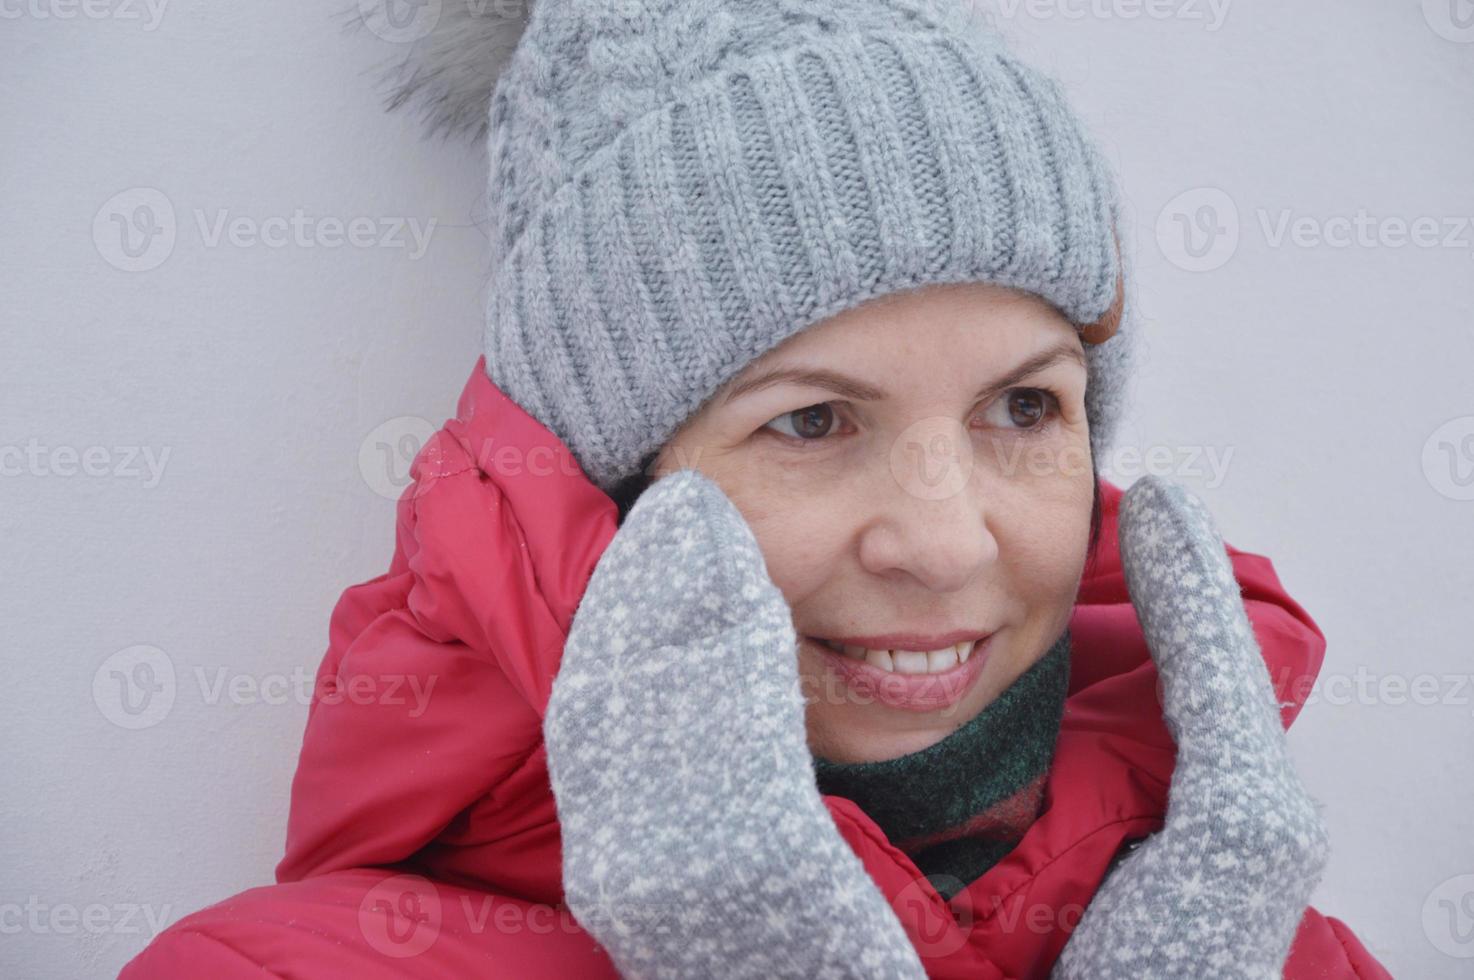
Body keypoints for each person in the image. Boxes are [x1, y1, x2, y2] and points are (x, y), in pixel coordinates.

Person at [121, 0, 1392, 976]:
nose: (946, 541)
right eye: (811, 418)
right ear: (607, 484)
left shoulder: (1252, 935)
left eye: (1022, 406)